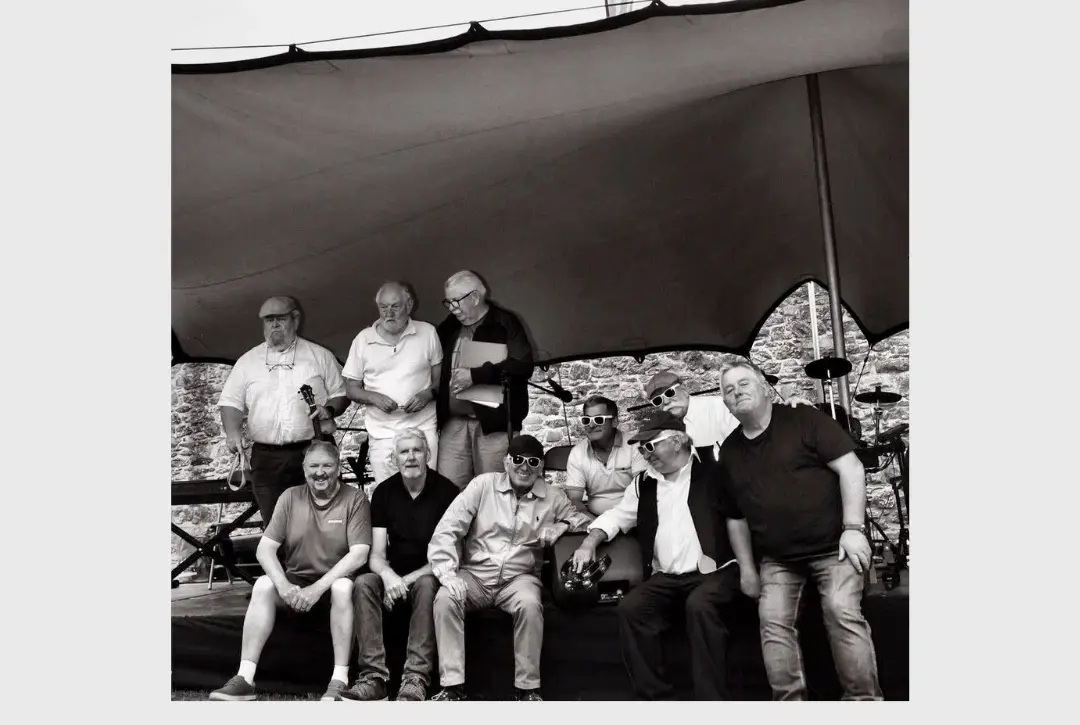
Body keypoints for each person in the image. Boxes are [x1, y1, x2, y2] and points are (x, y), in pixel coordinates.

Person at [716, 360, 881, 701]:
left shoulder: (803, 419)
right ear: (726, 404)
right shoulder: (730, 451)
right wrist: (747, 568)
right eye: (728, 390)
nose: (737, 392)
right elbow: (734, 517)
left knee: (841, 611)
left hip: (833, 547)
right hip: (777, 559)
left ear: (765, 387)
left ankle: (865, 703)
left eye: (744, 384)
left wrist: (853, 528)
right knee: (772, 623)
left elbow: (851, 468)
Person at [570, 411, 756, 701]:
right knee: (631, 608)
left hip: (716, 572)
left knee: (701, 605)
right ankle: (656, 699)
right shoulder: (643, 483)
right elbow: (618, 516)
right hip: (666, 578)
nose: (645, 453)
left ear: (678, 441)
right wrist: (589, 541)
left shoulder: (713, 472)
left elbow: (740, 516)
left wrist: (748, 570)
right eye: (641, 447)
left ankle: (713, 702)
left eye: (650, 445)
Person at [427, 435, 593, 701]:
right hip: (476, 575)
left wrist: (562, 525)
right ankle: (452, 687)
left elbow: (584, 520)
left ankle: (527, 689)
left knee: (529, 604)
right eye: (518, 459)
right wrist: (447, 572)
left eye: (533, 462)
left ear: (541, 468)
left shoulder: (553, 496)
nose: (524, 467)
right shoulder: (483, 485)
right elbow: (448, 529)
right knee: (445, 599)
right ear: (506, 461)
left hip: (520, 578)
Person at [208, 440, 372, 701]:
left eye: (327, 466)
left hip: (336, 579)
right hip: (297, 578)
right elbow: (265, 549)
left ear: (339, 469)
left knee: (342, 588)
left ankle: (339, 680)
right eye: (314, 466)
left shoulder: (355, 499)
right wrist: (284, 587)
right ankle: (244, 679)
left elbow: (359, 553)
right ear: (304, 469)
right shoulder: (290, 497)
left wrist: (317, 589)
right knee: (263, 585)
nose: (320, 472)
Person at [343, 428, 460, 702]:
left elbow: (449, 556)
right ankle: (374, 677)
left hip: (430, 572)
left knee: (426, 584)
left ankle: (415, 678)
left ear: (428, 454)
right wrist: (388, 576)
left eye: (417, 450)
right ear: (394, 458)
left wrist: (401, 581)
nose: (410, 457)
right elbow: (376, 555)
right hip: (393, 573)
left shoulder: (447, 492)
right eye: (404, 452)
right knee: (363, 583)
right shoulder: (384, 493)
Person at [218, 296, 349, 525]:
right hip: (266, 459)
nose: (274, 325)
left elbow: (341, 394)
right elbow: (230, 402)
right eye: (269, 321)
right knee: (276, 525)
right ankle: (282, 562)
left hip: (313, 450)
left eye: (280, 319)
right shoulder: (248, 361)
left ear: (295, 319)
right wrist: (232, 432)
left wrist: (328, 410)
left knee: (321, 521)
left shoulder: (319, 356)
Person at [434, 270, 535, 489]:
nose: (452, 308)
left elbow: (523, 365)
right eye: (448, 302)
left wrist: (476, 375)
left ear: (475, 297)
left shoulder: (505, 322)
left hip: (493, 425)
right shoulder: (449, 326)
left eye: (456, 301)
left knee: (492, 490)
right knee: (448, 490)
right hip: (454, 423)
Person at [343, 282, 443, 487]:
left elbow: (442, 380)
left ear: (409, 305)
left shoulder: (428, 332)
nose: (389, 313)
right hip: (382, 433)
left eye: (395, 306)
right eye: (383, 307)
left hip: (422, 428)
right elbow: (351, 389)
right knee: (387, 493)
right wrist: (373, 397)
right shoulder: (363, 340)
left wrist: (427, 395)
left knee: (427, 491)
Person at [564, 395, 648, 516]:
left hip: (633, 517)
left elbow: (643, 491)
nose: (591, 425)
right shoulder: (577, 453)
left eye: (599, 419)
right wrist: (589, 520)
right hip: (594, 518)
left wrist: (616, 522)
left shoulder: (634, 446)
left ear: (614, 422)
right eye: (586, 420)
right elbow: (574, 499)